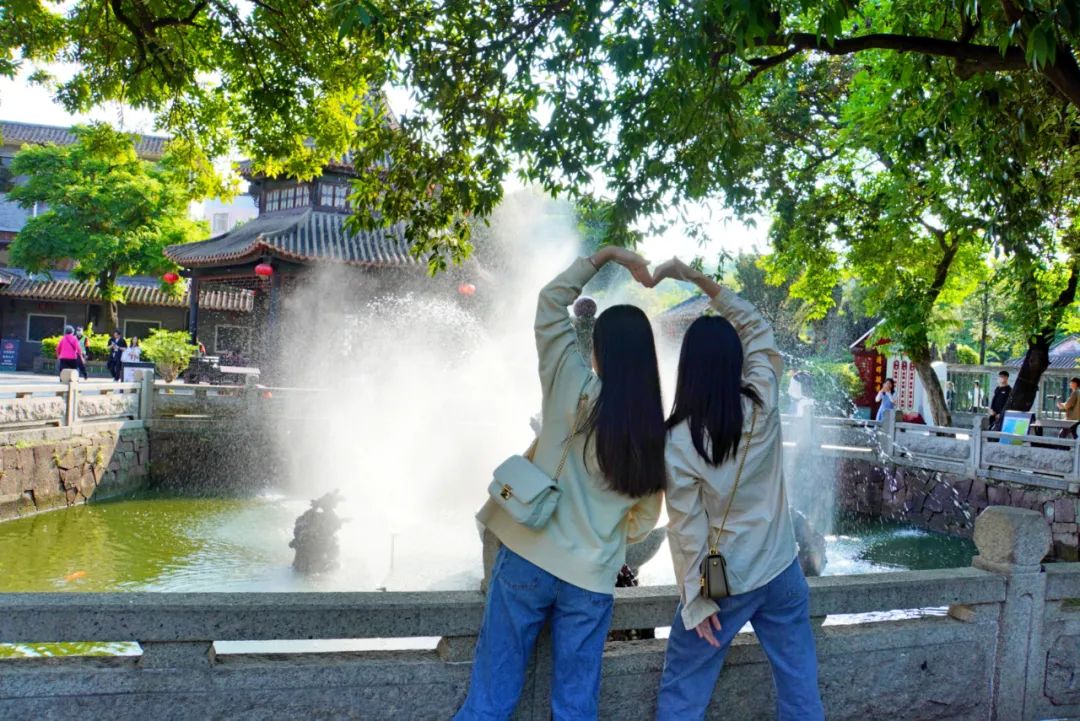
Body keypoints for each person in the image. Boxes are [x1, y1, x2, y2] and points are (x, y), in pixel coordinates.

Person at [458, 247, 666, 720]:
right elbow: (643, 522)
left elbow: (551, 301)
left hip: (528, 555)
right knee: (575, 706)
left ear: (600, 349)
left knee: (490, 699)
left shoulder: (572, 384)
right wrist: (600, 531)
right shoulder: (653, 431)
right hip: (591, 578)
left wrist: (606, 256)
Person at [650, 257, 824, 721]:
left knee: (684, 686)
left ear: (687, 368)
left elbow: (686, 527)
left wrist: (695, 599)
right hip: (782, 568)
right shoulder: (763, 399)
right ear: (736, 362)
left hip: (726, 581)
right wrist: (697, 278)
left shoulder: (677, 440)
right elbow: (757, 327)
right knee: (800, 685)